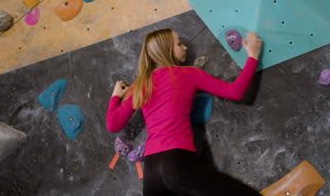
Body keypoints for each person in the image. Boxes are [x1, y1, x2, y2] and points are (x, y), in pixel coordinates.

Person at [106, 28, 263, 196]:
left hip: (152, 172)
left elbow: (113, 124)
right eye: (179, 43)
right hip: (177, 162)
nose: (185, 48)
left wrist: (115, 97)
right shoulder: (188, 74)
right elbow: (236, 92)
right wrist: (252, 56)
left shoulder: (141, 84)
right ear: (166, 49)